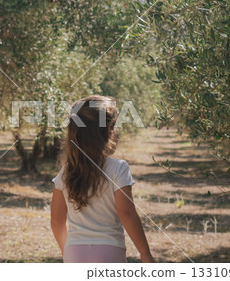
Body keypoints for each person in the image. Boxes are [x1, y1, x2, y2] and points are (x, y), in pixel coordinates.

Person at [50, 95, 155, 263]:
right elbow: (126, 213)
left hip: (74, 251)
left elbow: (56, 222)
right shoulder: (118, 168)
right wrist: (145, 252)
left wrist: (67, 252)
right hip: (110, 250)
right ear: (108, 131)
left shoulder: (66, 172)